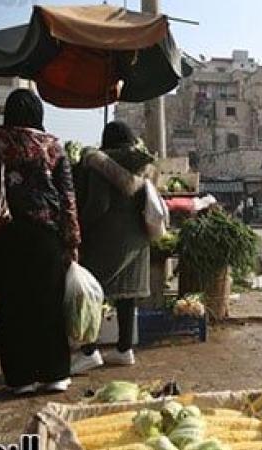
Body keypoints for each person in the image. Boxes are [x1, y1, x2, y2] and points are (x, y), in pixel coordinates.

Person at [0, 89, 80, 394]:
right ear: (38, 114)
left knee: (12, 307)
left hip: (0, 236)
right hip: (45, 237)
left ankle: (20, 378)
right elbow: (67, 197)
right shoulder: (51, 146)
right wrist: (72, 241)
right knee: (49, 304)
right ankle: (55, 373)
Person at [70, 121, 155, 374]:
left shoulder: (99, 163)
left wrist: (80, 226)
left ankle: (89, 351)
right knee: (127, 294)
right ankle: (124, 349)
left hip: (107, 238)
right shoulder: (146, 163)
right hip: (139, 237)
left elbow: (99, 204)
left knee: (92, 292)